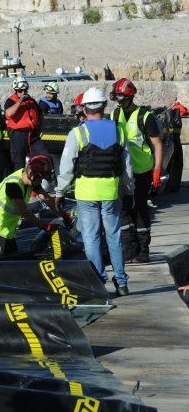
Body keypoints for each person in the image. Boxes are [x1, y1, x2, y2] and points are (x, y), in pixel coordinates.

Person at [55, 87, 135, 297]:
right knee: (114, 237)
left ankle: (98, 280)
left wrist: (59, 192)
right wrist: (129, 189)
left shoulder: (78, 132)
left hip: (86, 193)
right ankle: (121, 282)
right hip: (110, 192)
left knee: (90, 238)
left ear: (84, 108)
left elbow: (67, 167)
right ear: (104, 106)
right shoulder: (118, 130)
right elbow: (126, 165)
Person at [109, 78, 163, 263]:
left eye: (122, 98)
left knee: (139, 208)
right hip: (122, 172)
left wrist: (156, 169)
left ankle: (143, 250)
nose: (119, 101)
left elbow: (157, 144)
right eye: (117, 97)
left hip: (141, 171)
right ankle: (129, 248)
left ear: (131, 97)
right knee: (123, 209)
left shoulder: (145, 117)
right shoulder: (114, 115)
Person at [5, 76, 52, 171]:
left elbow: (39, 114)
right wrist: (20, 101)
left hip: (33, 134)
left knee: (46, 157)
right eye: (20, 91)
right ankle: (19, 183)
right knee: (19, 163)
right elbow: (9, 113)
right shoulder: (10, 101)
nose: (23, 93)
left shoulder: (31, 101)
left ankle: (51, 181)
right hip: (19, 135)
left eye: (25, 90)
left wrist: (39, 127)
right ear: (15, 90)